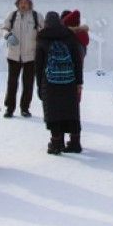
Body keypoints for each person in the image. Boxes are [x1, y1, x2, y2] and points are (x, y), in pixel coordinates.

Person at [36, 11, 85, 154]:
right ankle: (75, 142)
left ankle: (56, 143)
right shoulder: (69, 36)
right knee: (71, 112)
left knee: (54, 112)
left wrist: (39, 84)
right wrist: (79, 82)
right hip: (70, 81)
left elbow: (38, 65)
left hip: (50, 82)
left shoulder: (42, 37)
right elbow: (77, 61)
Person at [0, 0, 40, 118]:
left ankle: (25, 108)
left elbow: (43, 30)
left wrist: (40, 35)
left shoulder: (36, 16)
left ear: (30, 4)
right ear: (17, 3)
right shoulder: (11, 15)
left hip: (31, 56)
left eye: (26, 2)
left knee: (28, 84)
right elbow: (4, 29)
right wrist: (7, 35)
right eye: (21, 2)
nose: (23, 5)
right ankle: (9, 108)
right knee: (12, 83)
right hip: (13, 55)